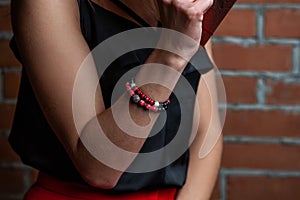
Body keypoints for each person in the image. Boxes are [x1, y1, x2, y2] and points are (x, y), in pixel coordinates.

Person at [9, 0, 223, 199]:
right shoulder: (48, 5)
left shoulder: (188, 8)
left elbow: (207, 131)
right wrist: (172, 53)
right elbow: (99, 170)